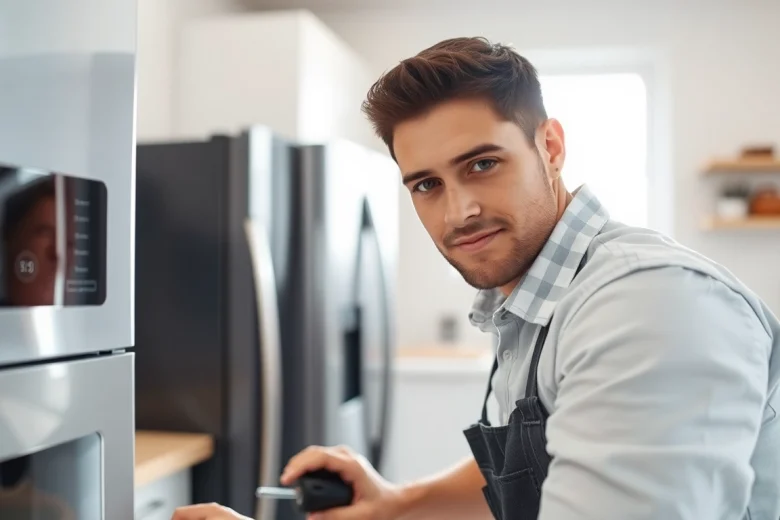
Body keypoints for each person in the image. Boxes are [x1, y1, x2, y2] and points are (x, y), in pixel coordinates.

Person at [172, 37, 780, 520]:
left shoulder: (647, 304)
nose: (458, 210)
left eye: (482, 164)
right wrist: (396, 505)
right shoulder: (533, 297)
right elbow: (539, 462)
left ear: (551, 145)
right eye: (427, 184)